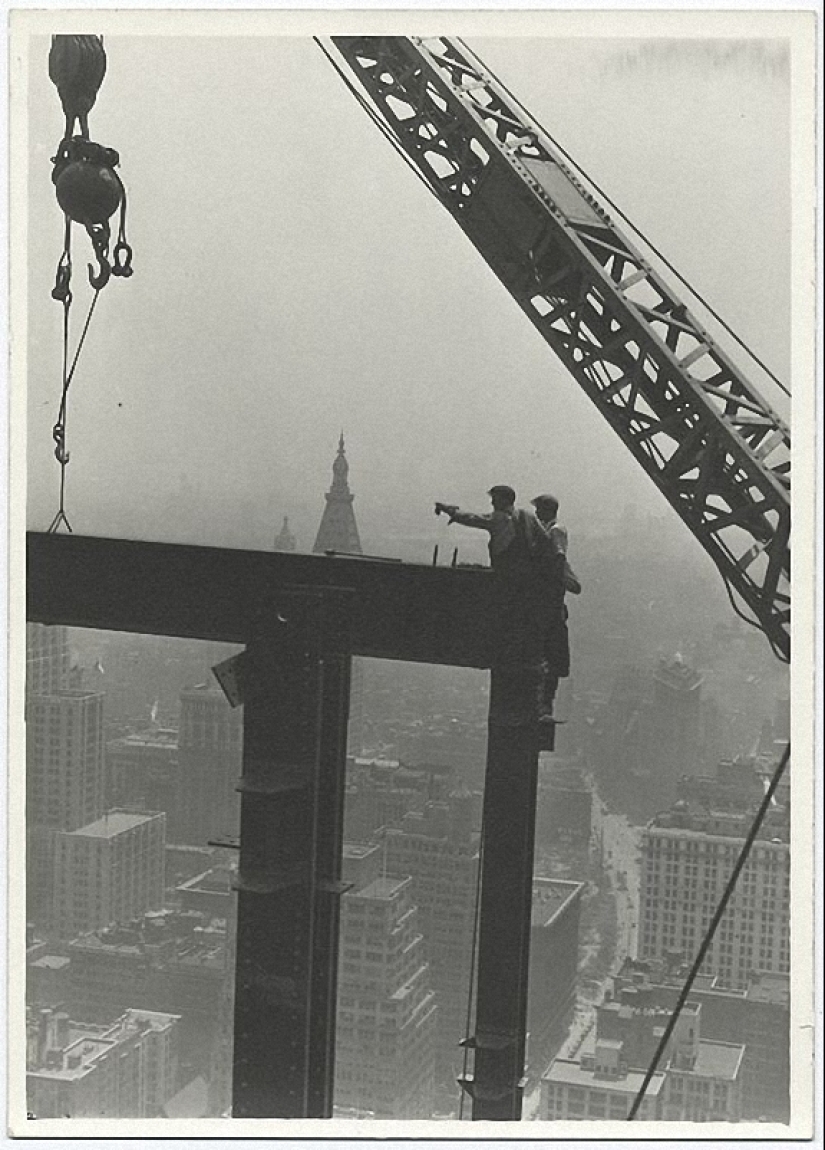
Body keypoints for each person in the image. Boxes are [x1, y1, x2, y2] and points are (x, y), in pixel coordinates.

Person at [531, 493, 581, 716]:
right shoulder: (547, 530)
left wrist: (550, 579)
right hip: (549, 605)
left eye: (539, 509)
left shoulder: (555, 530)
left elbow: (559, 556)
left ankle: (545, 703)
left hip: (551, 608)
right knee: (548, 656)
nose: (536, 513)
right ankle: (542, 702)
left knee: (550, 656)